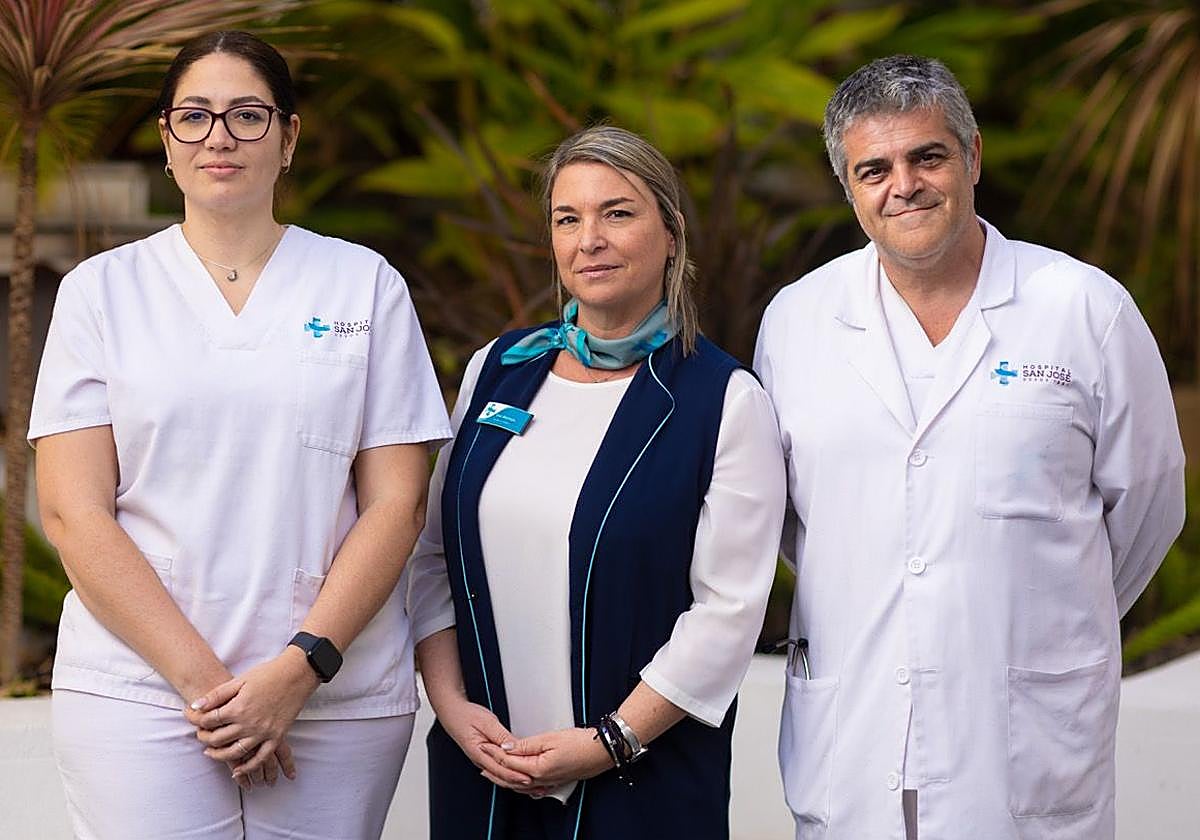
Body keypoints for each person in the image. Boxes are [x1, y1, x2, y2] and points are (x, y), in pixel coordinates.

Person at [30, 30, 450, 839]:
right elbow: (73, 513)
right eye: (194, 115)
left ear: (288, 138)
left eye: (248, 115)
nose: (219, 135)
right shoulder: (100, 293)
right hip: (140, 696)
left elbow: (397, 507)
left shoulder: (363, 283)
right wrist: (211, 692)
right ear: (166, 139)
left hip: (336, 696)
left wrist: (295, 674)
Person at [755, 54, 1186, 840]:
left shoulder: (1086, 310)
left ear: (973, 155)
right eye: (873, 169)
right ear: (848, 189)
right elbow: (789, 520)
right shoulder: (796, 321)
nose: (904, 185)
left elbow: (1150, 503)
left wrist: (1034, 610)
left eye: (928, 156)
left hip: (1023, 748)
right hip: (853, 742)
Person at [406, 125, 786, 839]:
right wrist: (452, 709)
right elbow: (432, 557)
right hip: (482, 774)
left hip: (640, 781)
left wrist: (608, 742)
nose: (590, 239)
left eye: (618, 212)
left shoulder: (721, 399)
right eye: (567, 218)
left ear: (672, 233)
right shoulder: (497, 367)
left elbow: (727, 613)